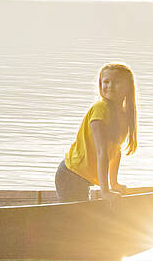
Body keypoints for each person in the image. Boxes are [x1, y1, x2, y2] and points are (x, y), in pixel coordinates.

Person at [56, 62, 139, 202]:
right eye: (106, 81)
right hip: (71, 175)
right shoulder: (100, 109)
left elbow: (115, 151)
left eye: (117, 82)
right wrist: (105, 192)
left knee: (83, 218)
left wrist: (114, 183)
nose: (110, 86)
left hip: (83, 178)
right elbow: (102, 153)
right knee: (75, 220)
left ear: (128, 88)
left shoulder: (124, 115)